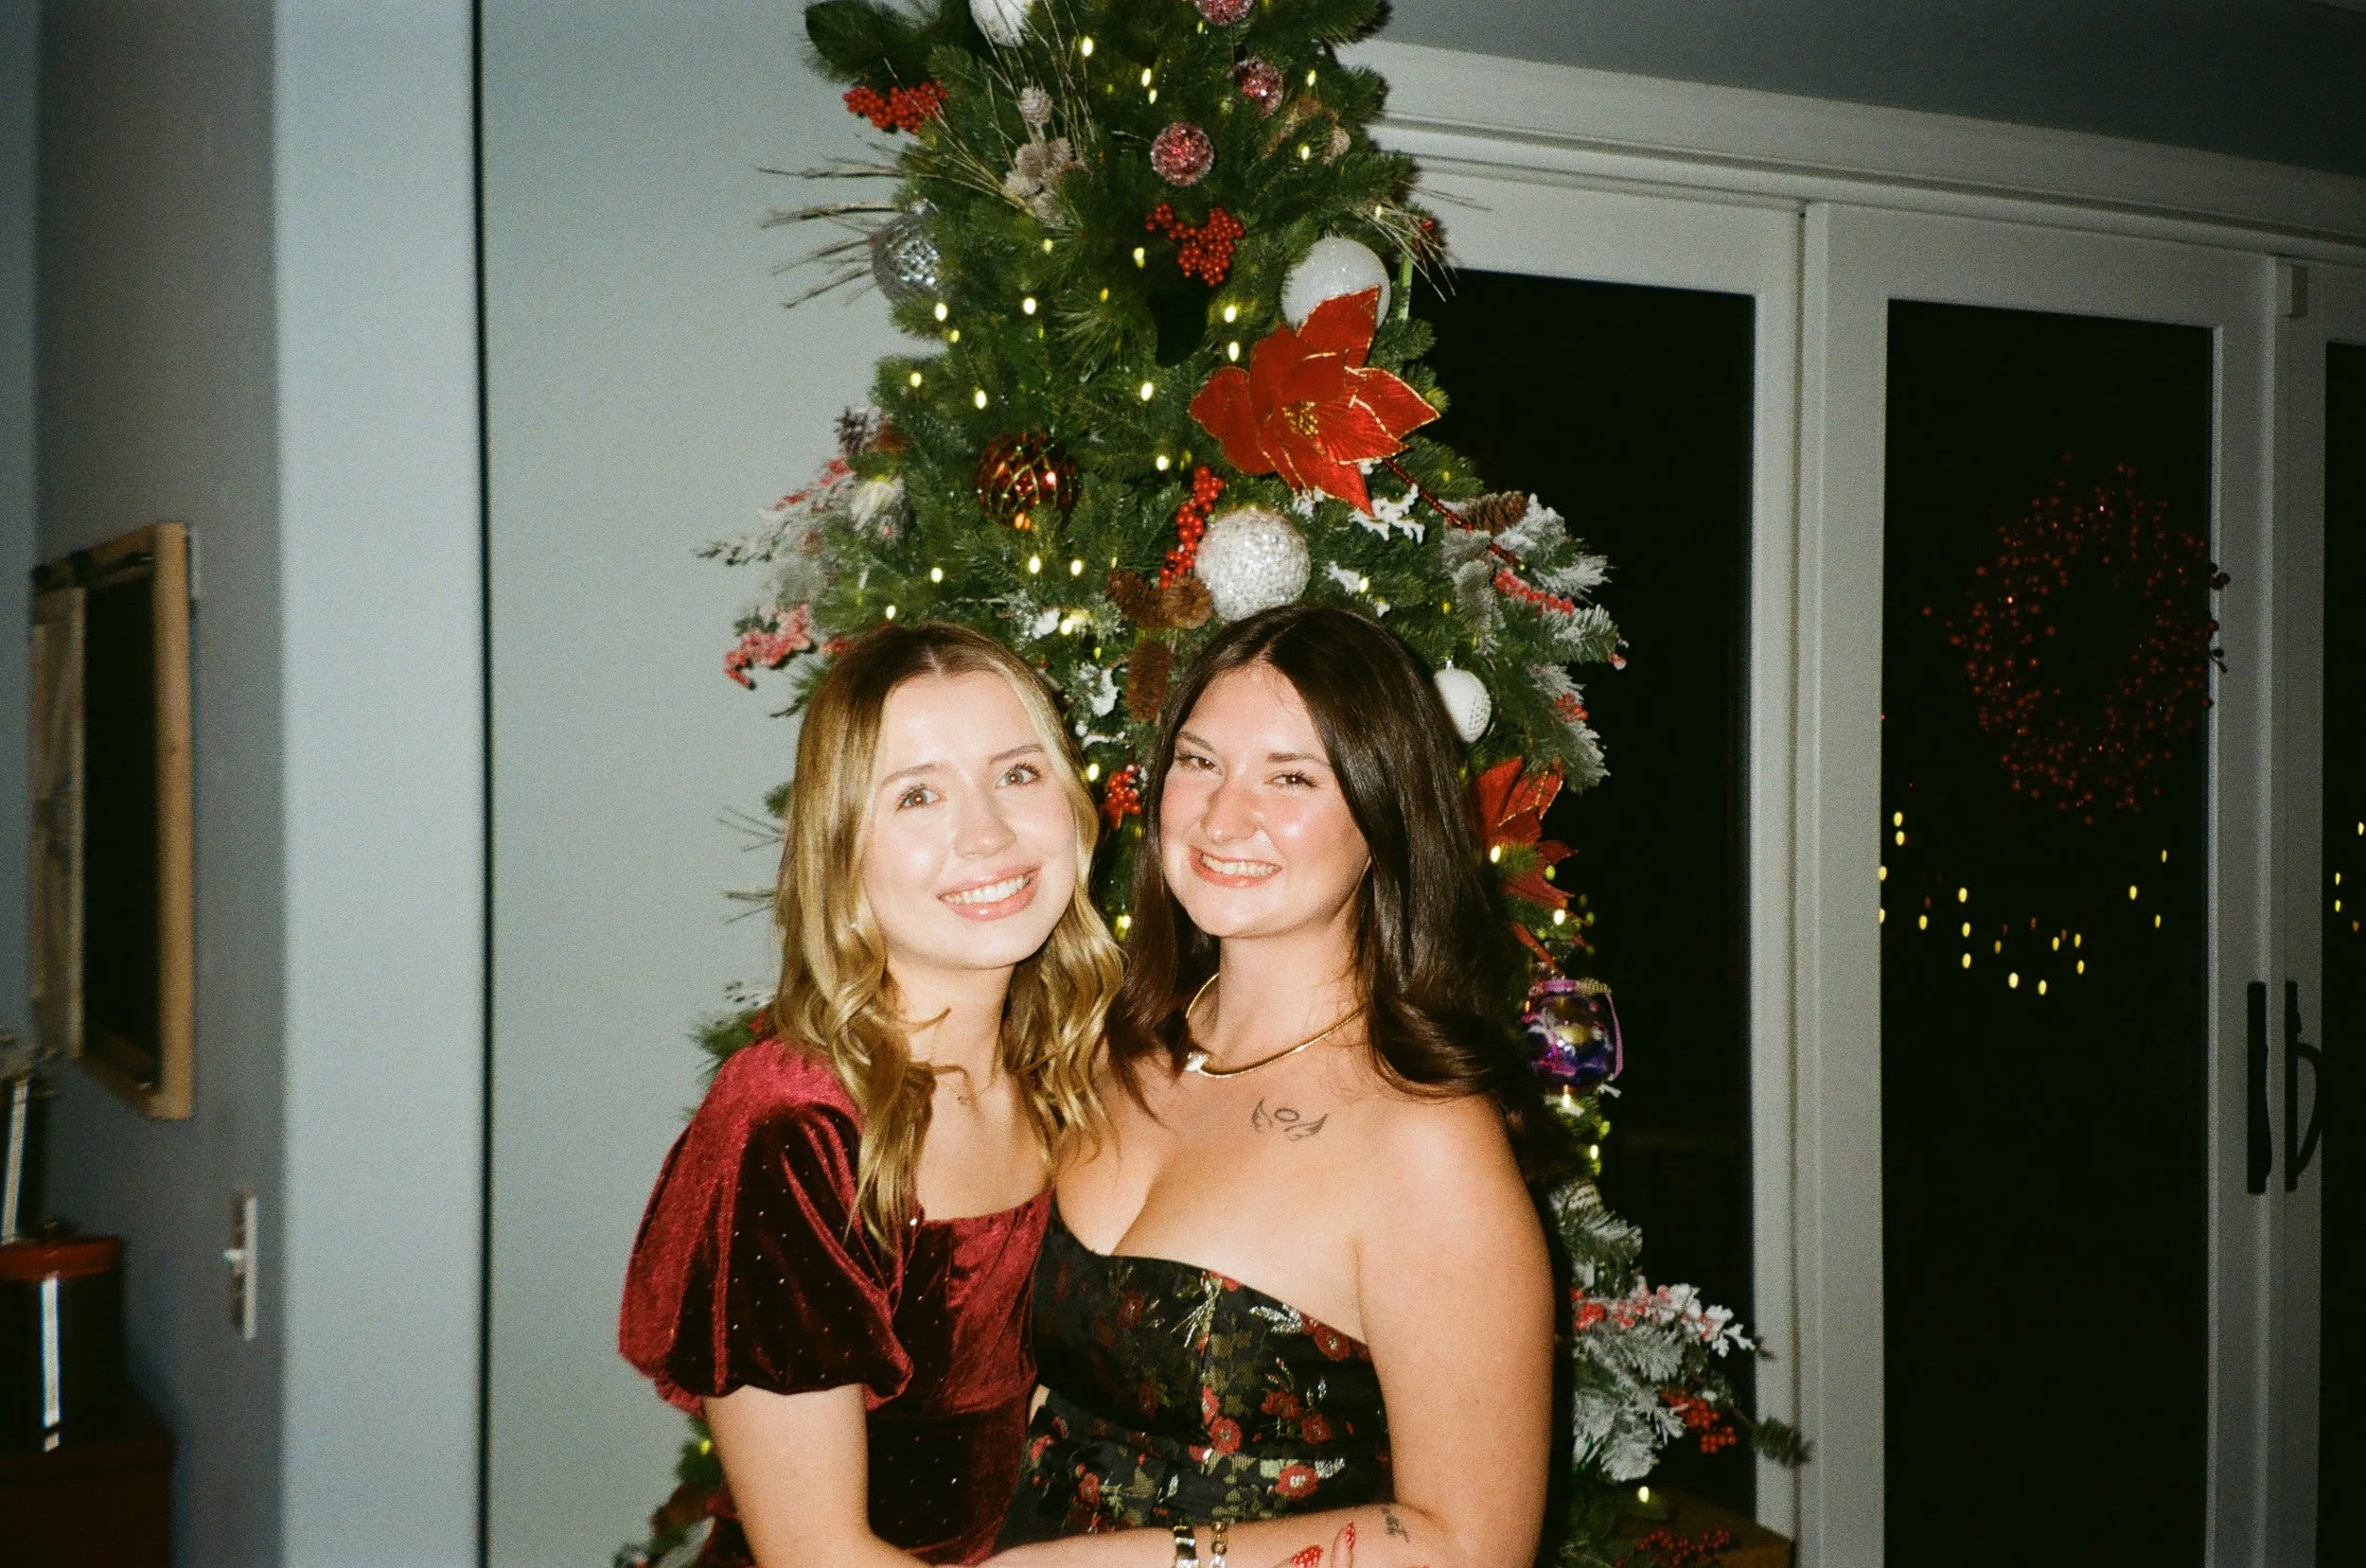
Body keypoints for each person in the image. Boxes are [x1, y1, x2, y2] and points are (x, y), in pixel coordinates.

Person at [991, 605, 1564, 1568]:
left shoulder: (1424, 1140)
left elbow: (1469, 1544)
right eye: (1199, 761)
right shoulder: (1101, 1048)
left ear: (1383, 815)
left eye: (1290, 777)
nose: (1222, 816)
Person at [621, 622, 1123, 1567]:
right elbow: (815, 1553)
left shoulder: (1069, 1061)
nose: (986, 833)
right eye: (919, 795)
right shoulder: (793, 1124)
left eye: (1017, 773)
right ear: (844, 845)